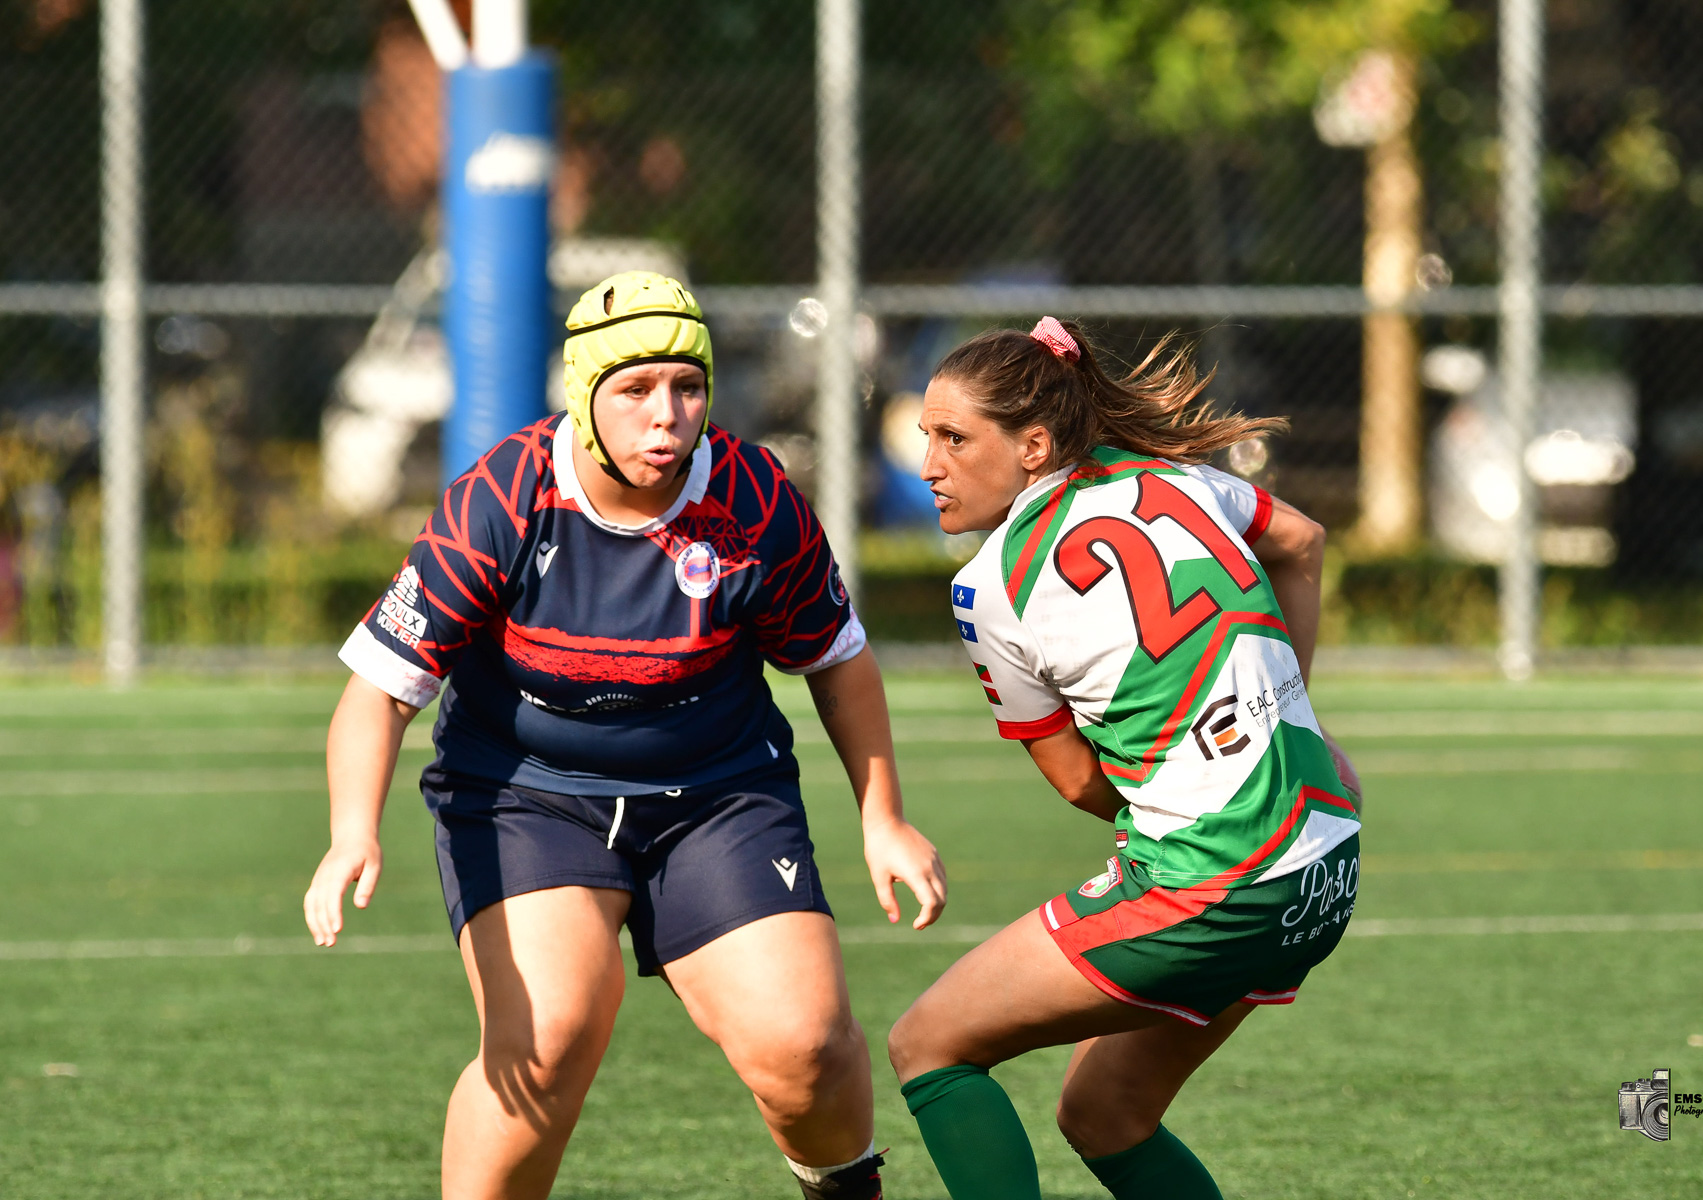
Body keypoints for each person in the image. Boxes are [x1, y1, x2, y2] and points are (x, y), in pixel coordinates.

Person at [302, 271, 945, 1200]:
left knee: (801, 1047)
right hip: (527, 796)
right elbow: (380, 692)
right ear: (584, 395)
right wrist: (350, 833)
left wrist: (883, 818)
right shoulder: (504, 497)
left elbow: (837, 661)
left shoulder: (755, 498)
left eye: (688, 388)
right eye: (635, 389)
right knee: (547, 1037)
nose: (667, 417)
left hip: (719, 794)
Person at [886, 317, 1362, 1200]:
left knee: (929, 1046)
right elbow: (1301, 540)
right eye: (925, 438)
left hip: (1219, 883)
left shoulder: (987, 588)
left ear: (1034, 444)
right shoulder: (1173, 480)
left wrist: (1185, 796)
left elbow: (1076, 782)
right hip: (1326, 858)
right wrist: (1292, 722)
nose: (929, 467)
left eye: (954, 437)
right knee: (1107, 1115)